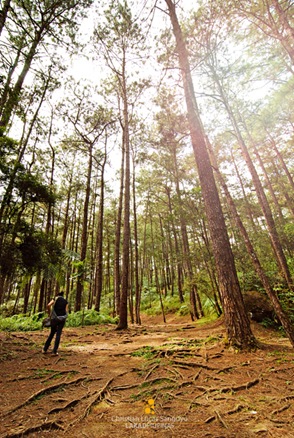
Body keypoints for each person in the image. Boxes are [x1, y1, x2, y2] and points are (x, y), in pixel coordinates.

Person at [43, 291, 68, 356]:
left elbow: (48, 305)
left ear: (57, 295)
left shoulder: (55, 298)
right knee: (58, 335)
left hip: (54, 319)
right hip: (62, 319)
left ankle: (45, 349)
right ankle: (54, 351)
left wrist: (49, 314)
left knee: (52, 333)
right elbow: (66, 311)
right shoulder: (65, 301)